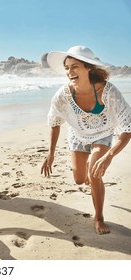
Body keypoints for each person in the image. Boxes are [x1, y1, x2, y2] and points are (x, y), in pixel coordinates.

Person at [41, 46, 131, 235]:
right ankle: (90, 173)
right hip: (78, 135)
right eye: (67, 67)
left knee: (95, 173)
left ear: (88, 68)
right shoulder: (63, 95)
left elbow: (128, 128)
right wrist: (50, 154)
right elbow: (55, 122)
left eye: (75, 67)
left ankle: (98, 218)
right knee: (80, 179)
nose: (69, 72)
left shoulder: (109, 92)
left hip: (103, 134)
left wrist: (110, 156)